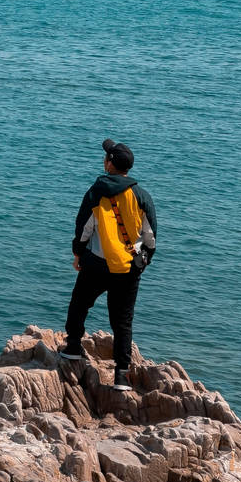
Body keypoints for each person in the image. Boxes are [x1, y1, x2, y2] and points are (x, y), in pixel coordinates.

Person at [61, 138, 157, 390]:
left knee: (79, 304)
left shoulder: (96, 192)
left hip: (97, 264)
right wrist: (140, 258)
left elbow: (84, 228)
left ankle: (73, 347)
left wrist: (78, 254)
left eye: (106, 157)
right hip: (127, 268)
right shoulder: (141, 196)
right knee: (122, 321)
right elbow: (149, 237)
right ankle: (122, 375)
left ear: (109, 164)